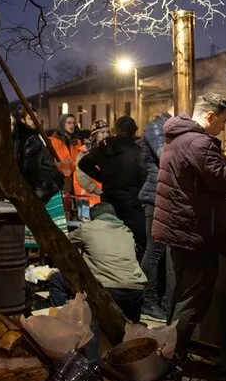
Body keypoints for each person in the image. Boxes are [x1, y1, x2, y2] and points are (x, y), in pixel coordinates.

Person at [153, 93, 226, 354]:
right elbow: (220, 180)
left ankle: (168, 353)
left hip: (180, 228)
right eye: (223, 121)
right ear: (209, 116)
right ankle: (173, 357)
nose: (224, 127)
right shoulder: (199, 142)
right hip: (193, 231)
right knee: (194, 299)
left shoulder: (179, 137)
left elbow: (205, 175)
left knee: (180, 295)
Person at [78, 116, 147, 254]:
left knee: (110, 245)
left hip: (109, 203)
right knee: (136, 245)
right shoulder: (138, 152)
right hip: (132, 206)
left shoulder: (105, 148)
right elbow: (144, 177)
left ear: (115, 131)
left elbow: (84, 164)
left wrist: (102, 177)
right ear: (134, 132)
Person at [68, 202, 148, 321]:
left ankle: (66, 324)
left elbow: (62, 242)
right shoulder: (126, 231)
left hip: (107, 289)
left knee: (57, 280)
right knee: (130, 332)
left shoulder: (87, 229)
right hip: (136, 289)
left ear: (93, 217)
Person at [138, 111, 172, 319]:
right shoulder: (156, 127)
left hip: (166, 196)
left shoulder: (170, 127)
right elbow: (164, 156)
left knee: (164, 252)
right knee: (154, 251)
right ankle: (148, 302)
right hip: (155, 195)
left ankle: (162, 300)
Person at [11, 105, 64, 205]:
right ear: (22, 120)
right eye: (31, 118)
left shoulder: (18, 136)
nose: (34, 122)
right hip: (41, 189)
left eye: (35, 118)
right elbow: (32, 168)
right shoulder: (31, 138)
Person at [46, 113, 85, 213]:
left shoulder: (78, 142)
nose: (72, 125)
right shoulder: (51, 141)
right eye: (69, 123)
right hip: (60, 181)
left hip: (76, 181)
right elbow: (48, 163)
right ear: (62, 124)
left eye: (73, 123)